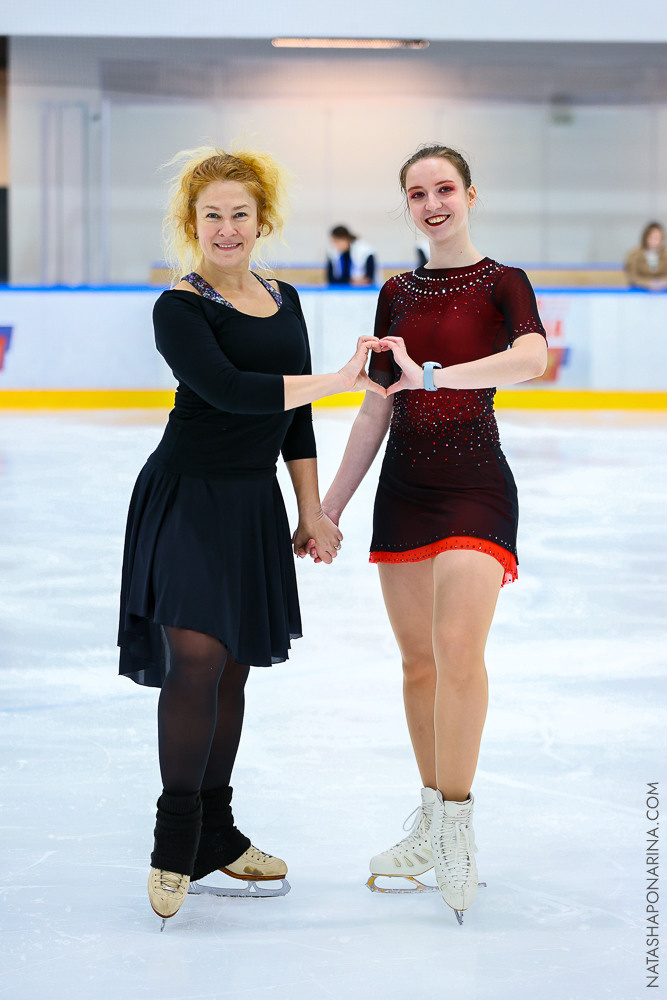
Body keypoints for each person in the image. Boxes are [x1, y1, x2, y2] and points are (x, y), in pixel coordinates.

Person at [117, 145, 383, 925]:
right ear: (191, 224)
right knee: (195, 662)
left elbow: (289, 416)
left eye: (239, 214)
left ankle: (216, 834)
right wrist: (342, 379)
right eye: (211, 216)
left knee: (231, 671)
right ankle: (174, 844)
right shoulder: (180, 308)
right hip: (187, 498)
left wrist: (312, 510)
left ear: (260, 221)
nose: (226, 228)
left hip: (251, 505)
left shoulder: (285, 296)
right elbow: (232, 393)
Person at [316, 144, 548, 922]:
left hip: (476, 484)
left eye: (443, 188)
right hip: (404, 491)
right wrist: (329, 507)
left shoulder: (502, 282)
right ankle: (427, 818)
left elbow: (532, 358)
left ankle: (456, 827)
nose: (432, 202)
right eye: (416, 193)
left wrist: (438, 377)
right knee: (418, 664)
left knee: (457, 649)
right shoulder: (394, 292)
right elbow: (377, 405)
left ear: (469, 194)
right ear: (406, 204)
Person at [625, 222, 667, 291]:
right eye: (654, 237)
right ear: (646, 237)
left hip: (663, 293)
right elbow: (632, 276)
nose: (656, 241)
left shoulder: (665, 255)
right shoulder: (634, 255)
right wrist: (648, 283)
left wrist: (662, 283)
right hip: (639, 292)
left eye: (659, 238)